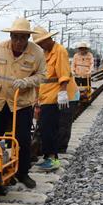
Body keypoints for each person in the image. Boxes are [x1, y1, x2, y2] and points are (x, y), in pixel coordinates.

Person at [0, 17, 47, 189]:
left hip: (21, 102)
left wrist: (27, 82)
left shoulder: (37, 52)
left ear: (28, 38)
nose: (18, 41)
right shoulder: (0, 48)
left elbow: (42, 76)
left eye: (22, 37)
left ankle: (22, 172)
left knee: (22, 139)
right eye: (15, 36)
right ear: (10, 35)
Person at [32, 27, 72, 171]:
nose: (41, 45)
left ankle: (53, 159)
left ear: (49, 39)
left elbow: (64, 73)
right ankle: (48, 156)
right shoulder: (44, 53)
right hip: (44, 95)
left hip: (54, 96)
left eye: (42, 42)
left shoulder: (59, 51)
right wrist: (36, 100)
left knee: (49, 128)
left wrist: (62, 92)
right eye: (39, 43)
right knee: (44, 128)